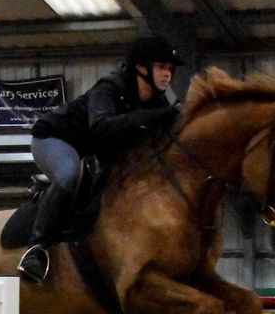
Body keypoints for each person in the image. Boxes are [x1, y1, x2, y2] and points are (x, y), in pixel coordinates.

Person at [17, 33, 185, 284]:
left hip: (90, 151)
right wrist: (158, 117)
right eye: (161, 67)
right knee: (70, 175)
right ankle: (36, 249)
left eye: (170, 69)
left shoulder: (156, 102)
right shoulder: (110, 88)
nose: (167, 74)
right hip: (54, 139)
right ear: (141, 67)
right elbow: (101, 127)